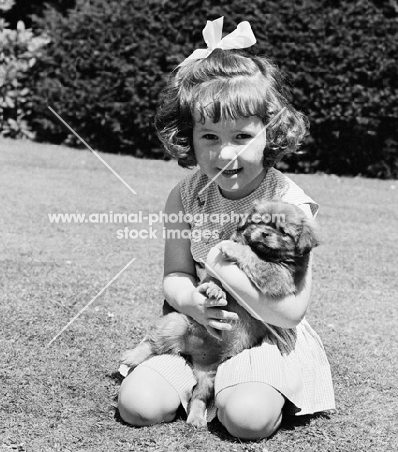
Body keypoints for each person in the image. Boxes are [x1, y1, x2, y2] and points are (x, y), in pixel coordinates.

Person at [118, 17, 335, 440]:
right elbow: (176, 275)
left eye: (242, 135)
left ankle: (241, 390)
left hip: (266, 331)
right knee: (137, 405)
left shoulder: (289, 203)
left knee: (248, 418)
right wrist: (191, 303)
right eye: (210, 136)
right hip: (202, 329)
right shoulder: (185, 196)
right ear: (189, 138)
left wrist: (223, 263)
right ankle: (201, 384)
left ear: (270, 134)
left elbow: (289, 312)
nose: (225, 152)